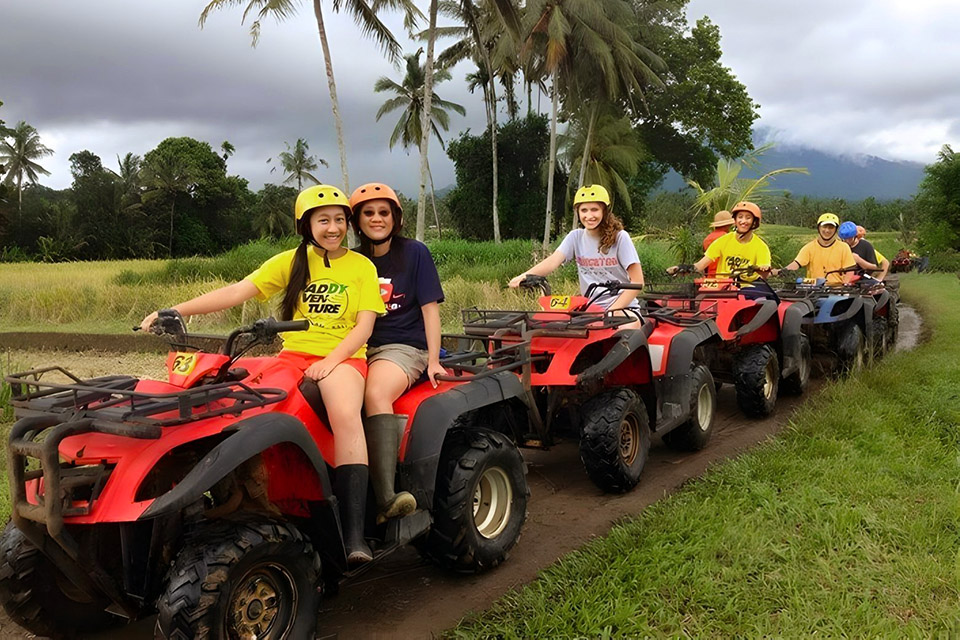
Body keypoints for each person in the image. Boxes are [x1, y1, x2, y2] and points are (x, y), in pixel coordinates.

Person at [140, 184, 385, 565]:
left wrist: (333, 361)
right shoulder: (290, 261)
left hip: (346, 356)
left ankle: (354, 536)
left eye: (339, 220)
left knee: (344, 414)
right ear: (306, 226)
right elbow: (238, 290)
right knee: (249, 404)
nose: (333, 228)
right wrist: (176, 310)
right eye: (324, 221)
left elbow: (364, 328)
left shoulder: (361, 266)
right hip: (293, 354)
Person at [348, 182, 444, 524]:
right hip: (358, 346)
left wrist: (432, 360)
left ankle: (385, 497)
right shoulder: (352, 261)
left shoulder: (414, 253)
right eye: (368, 213)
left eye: (383, 212)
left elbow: (430, 309)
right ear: (357, 221)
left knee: (374, 393)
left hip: (404, 345)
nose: (377, 219)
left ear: (395, 218)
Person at [508, 184, 644, 318]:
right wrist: (525, 276)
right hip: (589, 309)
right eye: (584, 210)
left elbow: (637, 282)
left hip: (624, 308)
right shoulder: (575, 237)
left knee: (620, 332)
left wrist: (610, 311)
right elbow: (553, 261)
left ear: (605, 211)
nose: (589, 216)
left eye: (594, 209)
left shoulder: (620, 237)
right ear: (578, 212)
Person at [668, 201, 771, 283]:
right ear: (735, 220)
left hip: (748, 289)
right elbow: (700, 265)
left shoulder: (761, 247)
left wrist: (763, 269)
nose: (743, 221)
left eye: (748, 218)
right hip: (722, 288)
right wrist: (683, 268)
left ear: (754, 222)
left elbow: (765, 273)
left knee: (766, 304)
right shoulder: (722, 241)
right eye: (740, 217)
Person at [778, 213, 856, 285]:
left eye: (831, 227)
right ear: (819, 228)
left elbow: (850, 270)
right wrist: (780, 272)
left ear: (835, 230)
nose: (827, 230)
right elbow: (796, 264)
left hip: (835, 290)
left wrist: (844, 285)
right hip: (813, 290)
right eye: (824, 227)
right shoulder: (809, 247)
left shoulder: (843, 247)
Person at [703, 210, 735, 277]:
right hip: (724, 276)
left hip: (710, 276)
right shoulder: (728, 238)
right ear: (727, 225)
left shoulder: (707, 239)